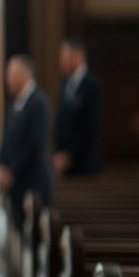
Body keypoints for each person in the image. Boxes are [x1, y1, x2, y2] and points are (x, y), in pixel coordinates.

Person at [0, 54, 53, 231]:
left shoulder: (39, 103)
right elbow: (6, 140)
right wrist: (0, 166)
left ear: (24, 75)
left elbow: (35, 144)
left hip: (31, 184)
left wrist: (12, 172)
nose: (8, 80)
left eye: (11, 74)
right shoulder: (15, 104)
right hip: (14, 186)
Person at [54, 38, 102, 177]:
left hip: (84, 163)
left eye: (64, 57)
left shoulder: (92, 86)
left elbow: (90, 126)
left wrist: (69, 155)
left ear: (77, 57)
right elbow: (61, 122)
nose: (61, 62)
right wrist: (58, 153)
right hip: (64, 165)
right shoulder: (65, 85)